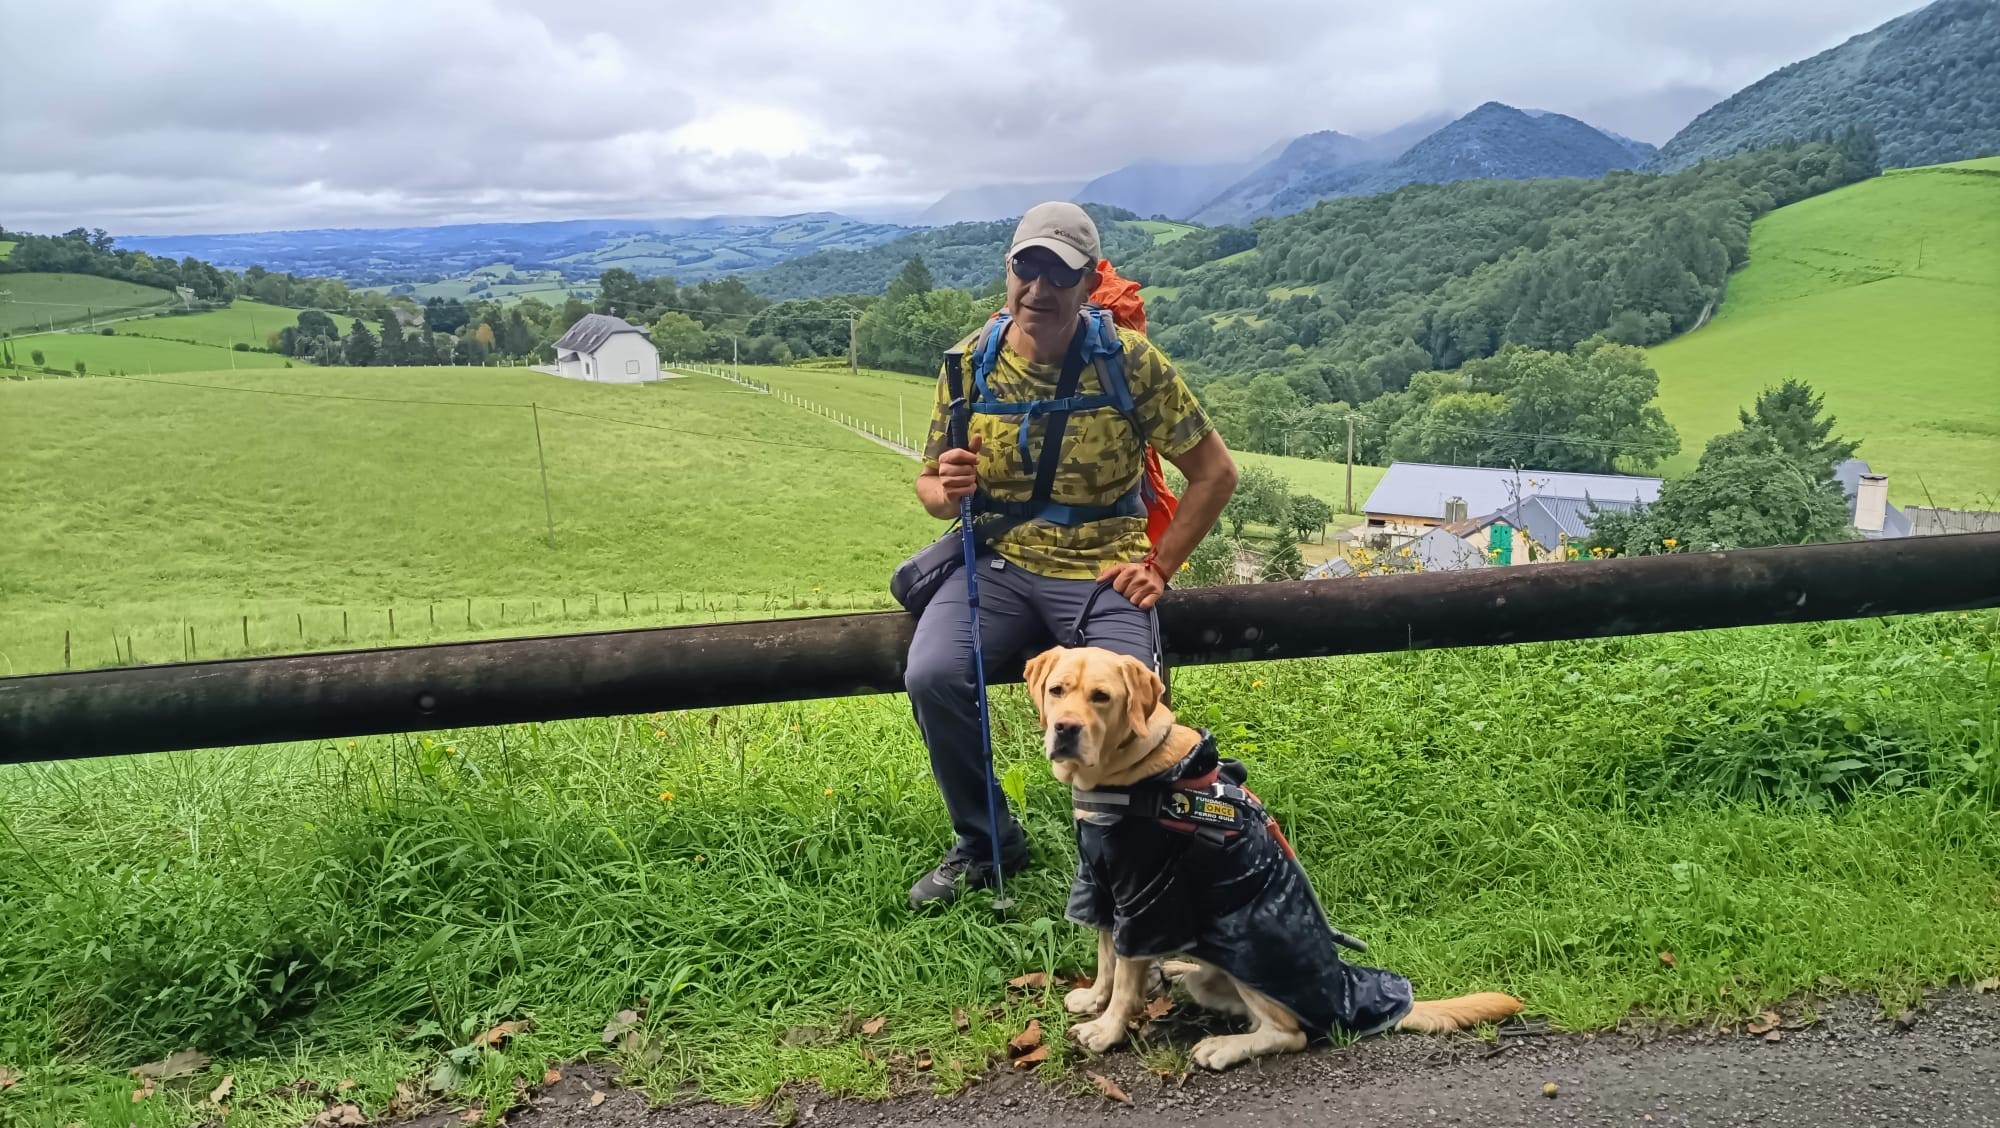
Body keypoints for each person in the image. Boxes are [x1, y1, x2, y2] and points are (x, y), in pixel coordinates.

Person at [904, 201, 1240, 909]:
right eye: (1027, 268)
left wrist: (1159, 567)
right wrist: (947, 487)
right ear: (1008, 271)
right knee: (933, 674)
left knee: (1143, 703)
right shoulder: (969, 365)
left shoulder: (1128, 362)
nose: (1039, 289)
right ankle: (986, 842)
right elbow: (930, 484)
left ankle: (1136, 854)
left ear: (1088, 284)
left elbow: (1215, 472)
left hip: (1103, 565)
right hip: (998, 561)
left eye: (1058, 274)